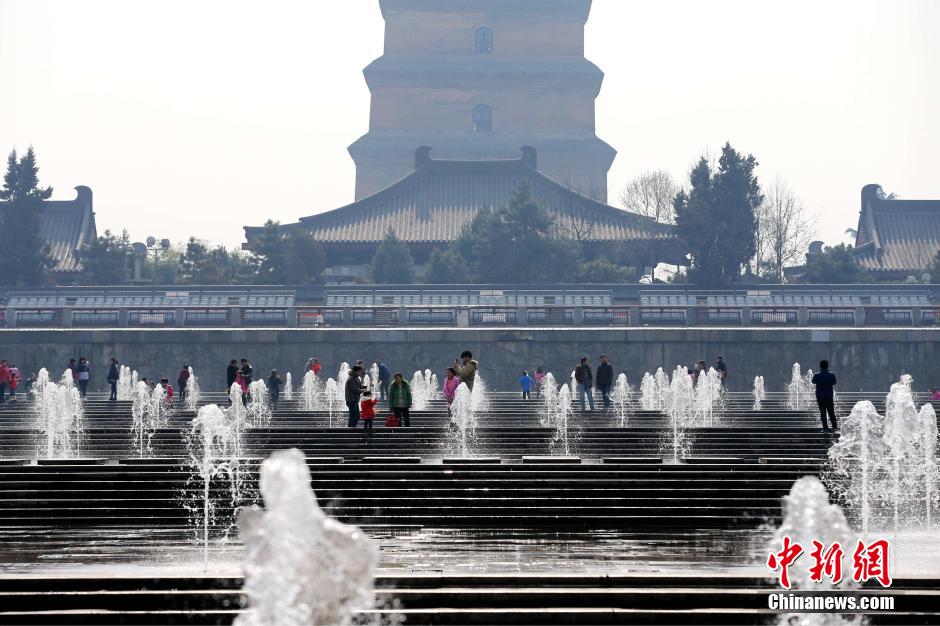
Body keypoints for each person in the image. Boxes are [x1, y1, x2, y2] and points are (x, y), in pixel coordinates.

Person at [811, 360, 838, 433]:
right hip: (829, 396)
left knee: (823, 413)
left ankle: (825, 429)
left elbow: (813, 381)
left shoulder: (816, 375)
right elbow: (834, 382)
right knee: (831, 412)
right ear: (827, 366)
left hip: (820, 397)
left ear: (820, 366)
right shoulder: (831, 375)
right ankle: (835, 428)